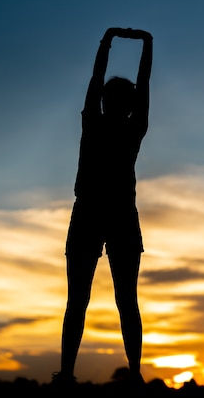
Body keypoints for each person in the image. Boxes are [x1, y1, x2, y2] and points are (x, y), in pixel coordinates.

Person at [53, 27, 153, 387]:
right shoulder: (128, 126)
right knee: (119, 299)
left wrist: (109, 40)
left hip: (103, 215)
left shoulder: (96, 122)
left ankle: (70, 374)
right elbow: (137, 86)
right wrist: (145, 44)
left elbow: (102, 81)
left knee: (86, 300)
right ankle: (129, 375)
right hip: (108, 215)